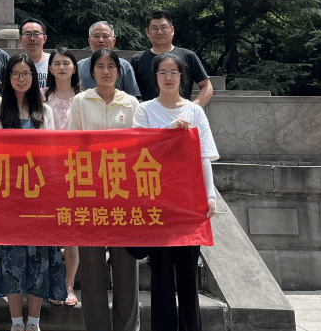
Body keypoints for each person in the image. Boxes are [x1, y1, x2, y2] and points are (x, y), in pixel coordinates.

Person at [132, 52, 218, 331]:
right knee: (161, 274)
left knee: (188, 274)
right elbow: (138, 151)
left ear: (182, 77)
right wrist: (167, 133)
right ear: (154, 77)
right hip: (157, 200)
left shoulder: (195, 111)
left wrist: (210, 196)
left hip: (189, 201)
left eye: (174, 73)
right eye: (163, 73)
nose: (168, 78)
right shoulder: (144, 111)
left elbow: (204, 157)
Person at [0, 54, 65, 330]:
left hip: (39, 194)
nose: (21, 79)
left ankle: (34, 322)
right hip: (8, 193)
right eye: (16, 74)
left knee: (39, 257)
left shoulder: (45, 111)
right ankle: (16, 321)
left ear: (34, 77)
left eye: (26, 74)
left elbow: (52, 155)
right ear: (8, 78)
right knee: (11, 257)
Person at [68, 49, 142, 331]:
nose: (106, 71)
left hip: (123, 193)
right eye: (100, 66)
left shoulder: (131, 103)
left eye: (111, 66)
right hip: (90, 192)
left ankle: (127, 327)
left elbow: (141, 145)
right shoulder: (81, 101)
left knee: (126, 267)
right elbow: (71, 144)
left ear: (119, 71)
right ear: (92, 72)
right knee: (91, 269)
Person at [43, 46, 81, 307]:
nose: (61, 67)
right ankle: (50, 282)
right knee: (49, 230)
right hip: (47, 170)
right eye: (57, 63)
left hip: (76, 170)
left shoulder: (84, 97)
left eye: (66, 63)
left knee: (71, 233)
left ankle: (68, 285)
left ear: (74, 67)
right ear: (50, 68)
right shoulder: (41, 96)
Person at [130, 12, 213, 108]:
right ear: (147, 32)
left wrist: (192, 108)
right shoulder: (137, 60)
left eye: (164, 27)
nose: (159, 32)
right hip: (149, 115)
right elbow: (130, 92)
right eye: (154, 28)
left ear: (172, 30)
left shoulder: (188, 56)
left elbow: (207, 86)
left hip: (181, 114)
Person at [77, 21, 140, 98]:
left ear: (113, 41)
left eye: (105, 36)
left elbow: (133, 97)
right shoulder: (80, 65)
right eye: (96, 36)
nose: (101, 40)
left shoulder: (124, 66)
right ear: (89, 41)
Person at [18, 19, 51, 88]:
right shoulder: (17, 65)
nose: (32, 38)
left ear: (44, 39)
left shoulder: (53, 62)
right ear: (20, 39)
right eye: (27, 34)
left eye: (36, 34)